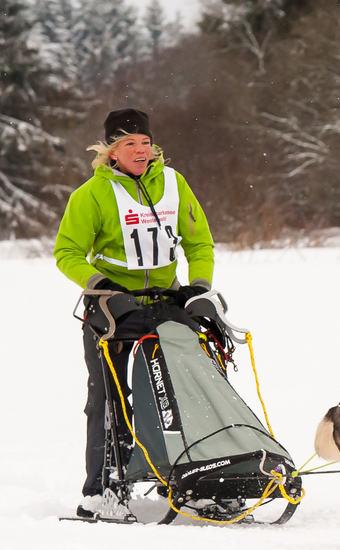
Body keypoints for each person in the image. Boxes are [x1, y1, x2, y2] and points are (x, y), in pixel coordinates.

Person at [55, 109, 220, 520]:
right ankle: (102, 489)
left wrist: (199, 287)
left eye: (145, 142)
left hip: (166, 301)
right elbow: (67, 252)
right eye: (129, 143)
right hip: (113, 308)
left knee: (192, 386)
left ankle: (197, 478)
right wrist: (101, 287)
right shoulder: (91, 195)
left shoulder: (174, 183)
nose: (140, 150)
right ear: (111, 152)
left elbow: (200, 244)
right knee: (108, 397)